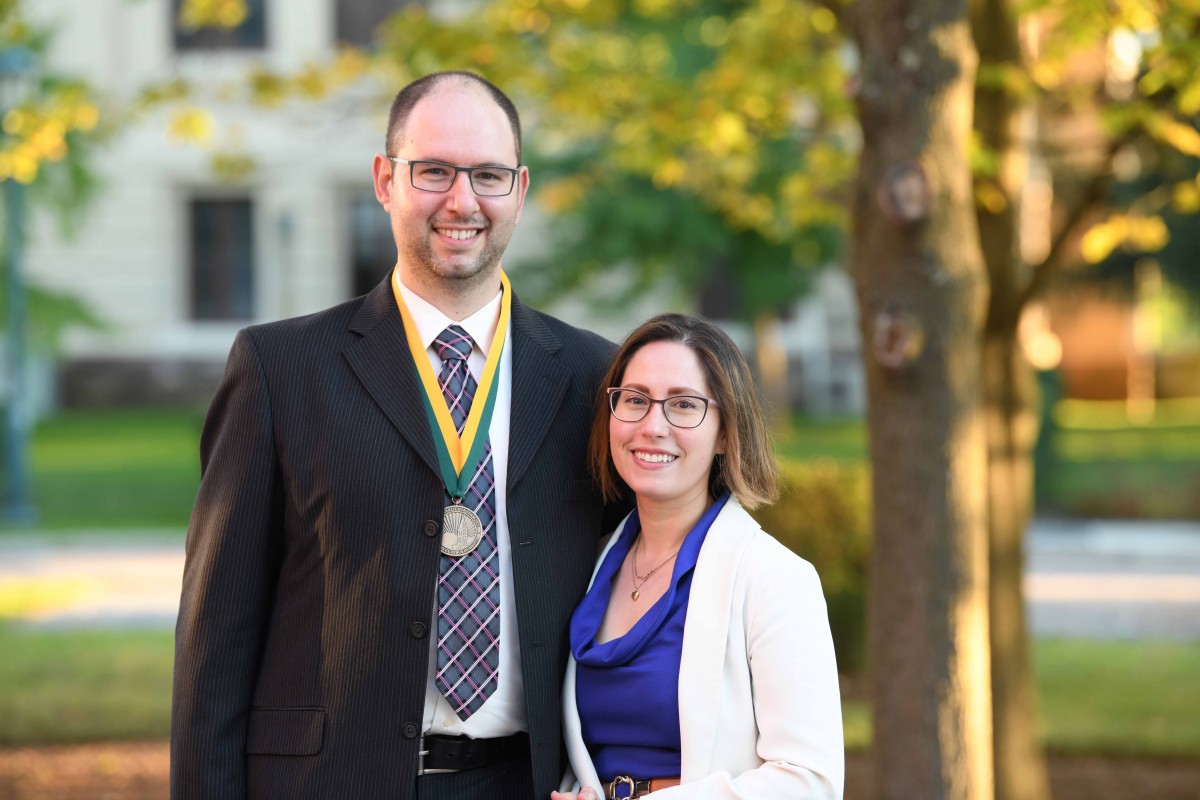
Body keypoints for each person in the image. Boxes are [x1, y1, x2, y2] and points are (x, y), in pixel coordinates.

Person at [171, 71, 625, 800]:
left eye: (488, 175)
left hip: (533, 783)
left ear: (521, 188)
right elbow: (214, 638)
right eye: (434, 171)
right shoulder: (279, 369)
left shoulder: (591, 376)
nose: (462, 199)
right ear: (385, 180)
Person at [552, 314, 844, 800]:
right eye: (635, 400)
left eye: (684, 406)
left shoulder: (775, 580)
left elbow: (810, 781)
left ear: (727, 434)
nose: (652, 426)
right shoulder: (590, 563)